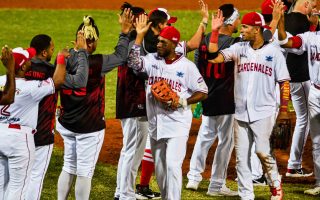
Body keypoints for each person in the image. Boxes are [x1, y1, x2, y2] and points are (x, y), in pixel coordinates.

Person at [208, 10, 290, 200]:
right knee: (242, 157)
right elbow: (214, 57)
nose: (241, 30)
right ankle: (246, 195)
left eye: (245, 26)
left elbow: (284, 82)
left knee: (263, 152)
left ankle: (275, 185)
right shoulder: (239, 48)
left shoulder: (274, 52)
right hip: (240, 112)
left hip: (264, 112)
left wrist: (284, 110)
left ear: (256, 29)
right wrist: (214, 32)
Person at [128, 15, 208, 200]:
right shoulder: (151, 60)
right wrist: (139, 38)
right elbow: (133, 64)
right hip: (156, 125)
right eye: (158, 41)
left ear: (173, 44)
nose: (158, 45)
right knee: (161, 171)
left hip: (177, 124)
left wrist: (183, 101)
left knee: (172, 166)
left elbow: (203, 91)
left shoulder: (187, 67)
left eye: (163, 42)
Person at [56, 11, 133, 200]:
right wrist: (124, 33)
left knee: (68, 166)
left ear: (77, 40)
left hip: (66, 123)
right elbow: (121, 56)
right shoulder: (99, 63)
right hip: (89, 128)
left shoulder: (63, 60)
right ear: (94, 41)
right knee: (84, 172)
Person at [185, 3, 239, 197]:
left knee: (205, 136)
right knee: (226, 141)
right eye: (237, 18)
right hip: (227, 98)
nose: (239, 22)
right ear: (230, 21)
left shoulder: (204, 40)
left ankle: (193, 178)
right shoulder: (236, 43)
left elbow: (197, 68)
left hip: (207, 95)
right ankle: (216, 184)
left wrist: (200, 96)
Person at [0, 46, 67, 200]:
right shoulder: (31, 87)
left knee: (1, 187)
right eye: (28, 59)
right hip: (19, 140)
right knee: (19, 187)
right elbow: (58, 81)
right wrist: (61, 58)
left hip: (0, 135)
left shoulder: (0, 81)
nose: (32, 60)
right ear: (23, 67)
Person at [277, 3, 320, 195]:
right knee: (317, 139)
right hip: (314, 92)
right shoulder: (310, 37)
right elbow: (286, 42)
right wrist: (279, 22)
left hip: (310, 89)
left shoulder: (310, 35)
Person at [24, 34, 57, 200]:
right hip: (43, 132)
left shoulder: (21, 70)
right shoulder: (52, 72)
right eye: (52, 48)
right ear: (44, 53)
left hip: (21, 133)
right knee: (36, 176)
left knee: (17, 178)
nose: (53, 51)